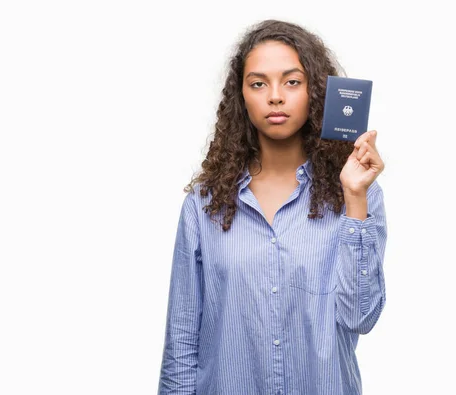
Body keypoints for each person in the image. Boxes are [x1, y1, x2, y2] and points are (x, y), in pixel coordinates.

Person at [158, 19, 387, 395]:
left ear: (315, 92)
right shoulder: (204, 206)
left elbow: (360, 317)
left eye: (292, 81)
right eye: (258, 83)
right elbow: (182, 340)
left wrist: (355, 198)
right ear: (242, 96)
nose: (275, 96)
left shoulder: (357, 195)